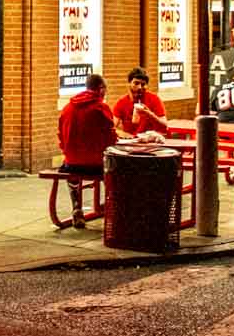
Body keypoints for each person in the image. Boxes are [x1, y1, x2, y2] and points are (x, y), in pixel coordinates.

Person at [57, 73, 119, 228]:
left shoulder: (67, 108)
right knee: (118, 168)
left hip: (72, 163)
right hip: (97, 165)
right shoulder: (101, 107)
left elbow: (61, 136)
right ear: (100, 89)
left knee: (68, 166)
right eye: (105, 90)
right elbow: (111, 139)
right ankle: (113, 206)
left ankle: (77, 208)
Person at [114, 66, 169, 137]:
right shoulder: (121, 102)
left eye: (143, 84)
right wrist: (125, 135)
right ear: (129, 83)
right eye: (136, 83)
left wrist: (149, 114)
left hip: (150, 142)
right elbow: (112, 127)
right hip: (130, 143)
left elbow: (164, 127)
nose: (140, 87)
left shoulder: (154, 99)